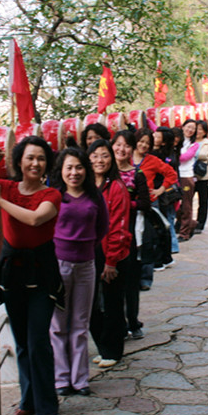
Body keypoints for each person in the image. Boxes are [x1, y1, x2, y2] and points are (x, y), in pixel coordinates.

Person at [0, 136, 62, 415]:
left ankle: (48, 406)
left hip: (42, 275)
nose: (35, 163)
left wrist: (0, 202)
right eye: (30, 157)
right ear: (19, 161)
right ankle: (28, 400)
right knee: (20, 343)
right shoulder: (5, 186)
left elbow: (34, 220)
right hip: (13, 274)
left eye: (41, 158)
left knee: (38, 341)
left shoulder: (52, 195)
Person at [50, 147, 109, 396]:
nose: (74, 173)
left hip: (86, 265)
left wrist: (83, 245)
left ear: (85, 169)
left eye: (79, 167)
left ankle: (80, 379)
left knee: (80, 323)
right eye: (69, 168)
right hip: (58, 265)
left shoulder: (94, 198)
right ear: (61, 171)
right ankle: (61, 378)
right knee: (58, 325)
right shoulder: (54, 196)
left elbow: (102, 228)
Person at [87, 139, 132, 368]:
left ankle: (113, 351)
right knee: (92, 304)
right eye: (94, 156)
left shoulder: (116, 187)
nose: (99, 160)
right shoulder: (84, 187)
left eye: (104, 155)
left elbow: (119, 227)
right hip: (89, 254)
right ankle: (104, 347)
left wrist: (111, 261)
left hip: (111, 255)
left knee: (112, 304)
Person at [112, 130, 150, 339]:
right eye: (118, 144)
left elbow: (145, 203)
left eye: (126, 145)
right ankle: (116, 322)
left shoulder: (137, 174)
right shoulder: (103, 174)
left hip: (130, 234)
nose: (121, 149)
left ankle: (132, 322)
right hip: (106, 235)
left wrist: (123, 203)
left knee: (130, 282)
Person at [131, 128, 177, 288]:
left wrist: (160, 189)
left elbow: (171, 174)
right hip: (128, 206)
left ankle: (145, 279)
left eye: (147, 143)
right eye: (141, 141)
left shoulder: (152, 160)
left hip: (149, 204)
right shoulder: (126, 157)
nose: (143, 145)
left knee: (147, 242)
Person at [153, 126, 181, 256]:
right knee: (168, 218)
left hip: (163, 192)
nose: (153, 137)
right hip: (168, 192)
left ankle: (170, 247)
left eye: (157, 136)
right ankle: (172, 247)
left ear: (163, 142)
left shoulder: (158, 156)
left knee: (166, 220)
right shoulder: (171, 153)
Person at [177, 119, 200, 241]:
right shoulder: (177, 140)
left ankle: (184, 233)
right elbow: (158, 131)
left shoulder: (194, 145)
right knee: (174, 205)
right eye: (188, 127)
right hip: (175, 176)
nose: (190, 130)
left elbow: (185, 157)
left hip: (186, 178)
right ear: (183, 126)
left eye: (193, 129)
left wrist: (172, 155)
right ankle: (191, 224)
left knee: (186, 205)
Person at [193, 120, 208, 234]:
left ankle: (200, 224)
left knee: (203, 201)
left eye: (201, 129)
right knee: (186, 201)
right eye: (196, 128)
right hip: (189, 176)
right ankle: (185, 222)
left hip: (203, 176)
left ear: (205, 131)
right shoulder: (188, 142)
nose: (198, 131)